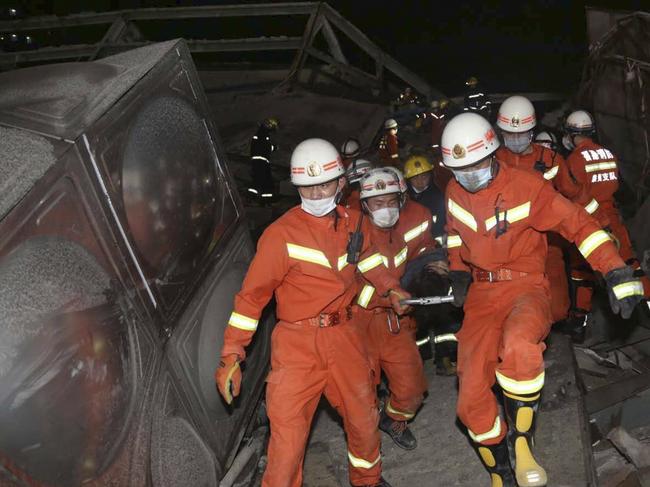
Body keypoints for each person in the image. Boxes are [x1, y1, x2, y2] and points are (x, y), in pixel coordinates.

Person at [441, 112, 644, 487]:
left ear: (491, 154)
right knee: (469, 401)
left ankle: (522, 445)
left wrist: (614, 269)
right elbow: (455, 234)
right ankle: (500, 471)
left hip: (525, 286)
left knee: (520, 345)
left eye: (475, 165)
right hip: (482, 294)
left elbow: (578, 224)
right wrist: (457, 272)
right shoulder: (454, 191)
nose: (468, 174)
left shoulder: (527, 187)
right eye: (459, 168)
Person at [215, 138, 408, 487]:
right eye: (308, 187)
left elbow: (370, 261)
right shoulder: (279, 236)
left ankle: (368, 479)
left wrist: (390, 287)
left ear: (341, 184)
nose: (317, 195)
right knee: (287, 441)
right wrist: (232, 353)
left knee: (364, 421)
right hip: (297, 345)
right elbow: (250, 299)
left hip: (345, 337)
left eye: (324, 185)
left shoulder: (354, 223)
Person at [356, 167, 434, 450]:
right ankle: (366, 437)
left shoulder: (409, 225)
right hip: (358, 323)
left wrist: (432, 272)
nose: (385, 209)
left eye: (391, 202)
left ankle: (393, 419)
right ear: (365, 205)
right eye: (378, 203)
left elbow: (421, 255)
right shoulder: (352, 231)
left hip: (394, 321)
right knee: (359, 394)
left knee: (412, 390)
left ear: (402, 200)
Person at [495, 95, 589, 325]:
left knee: (557, 309)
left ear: (531, 131)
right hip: (504, 243)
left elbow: (576, 196)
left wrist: (604, 225)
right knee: (505, 308)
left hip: (547, 242)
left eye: (520, 133)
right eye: (510, 134)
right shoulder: (493, 160)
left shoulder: (551, 160)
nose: (515, 139)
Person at [562, 109, 650, 333]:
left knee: (582, 271)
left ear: (571, 134)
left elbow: (573, 195)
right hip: (613, 217)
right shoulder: (609, 154)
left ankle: (579, 323)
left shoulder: (573, 160)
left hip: (588, 221)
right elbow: (617, 187)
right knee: (630, 263)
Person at [403, 155, 446, 240]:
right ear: (408, 179)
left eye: (424, 177)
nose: (420, 181)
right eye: (415, 178)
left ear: (430, 176)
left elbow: (441, 223)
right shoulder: (404, 198)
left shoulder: (438, 197)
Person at [249, 118, 279, 202]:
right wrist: (274, 147)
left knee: (262, 179)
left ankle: (261, 198)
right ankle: (257, 198)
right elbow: (265, 147)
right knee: (262, 179)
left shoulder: (260, 134)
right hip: (261, 160)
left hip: (259, 160)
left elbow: (256, 147)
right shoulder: (263, 134)